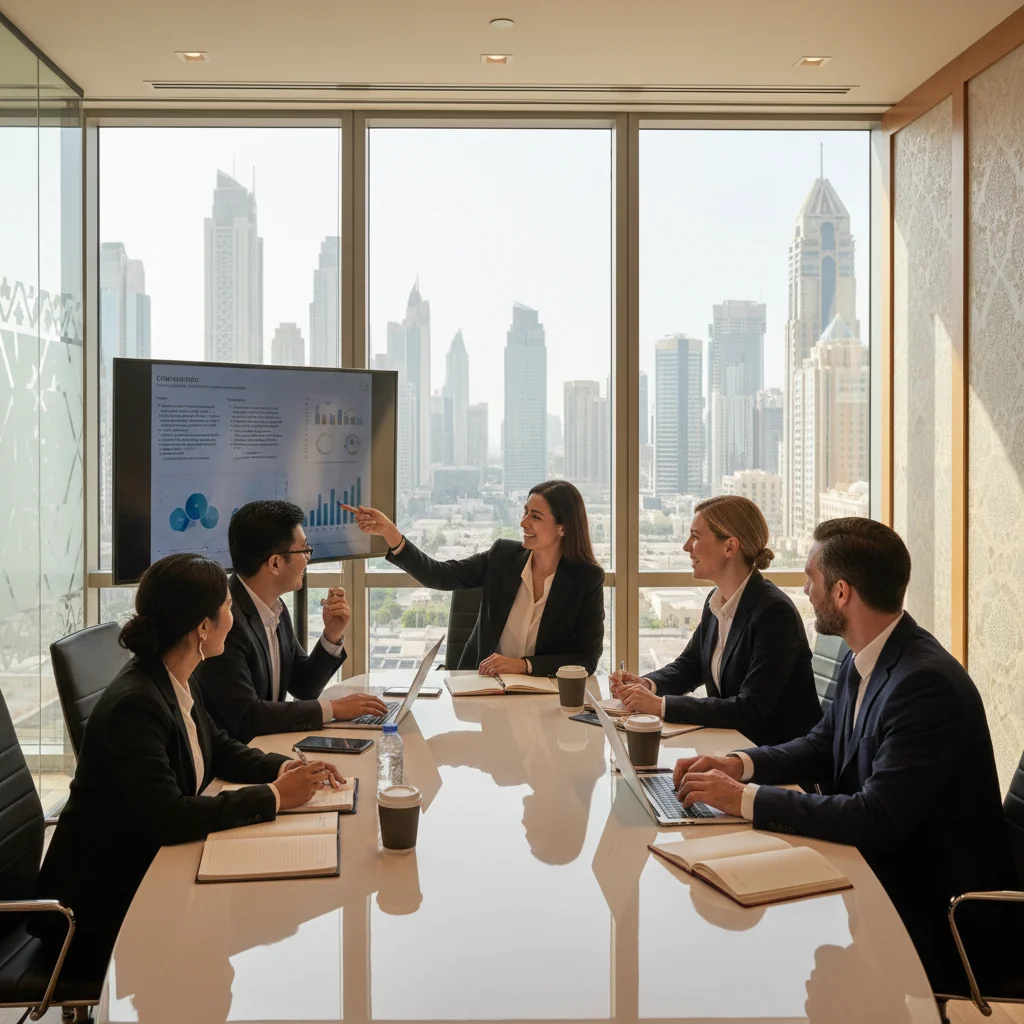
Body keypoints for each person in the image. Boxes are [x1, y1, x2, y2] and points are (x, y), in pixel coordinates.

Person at [672, 517, 1016, 987]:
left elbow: (876, 817)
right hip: (881, 874)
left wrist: (742, 799)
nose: (804, 590)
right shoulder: (870, 654)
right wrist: (740, 765)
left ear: (841, 593)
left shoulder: (924, 685)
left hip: (933, 914)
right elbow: (821, 744)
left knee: (763, 960)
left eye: (811, 579)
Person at [32, 553, 344, 978]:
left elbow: (220, 747)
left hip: (146, 867)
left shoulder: (177, 672)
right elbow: (170, 816)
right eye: (229, 608)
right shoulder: (136, 704)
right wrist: (274, 798)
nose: (234, 618)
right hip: (99, 905)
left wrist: (285, 769)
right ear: (202, 627)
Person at [609, 495, 821, 746]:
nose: (686, 547)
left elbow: (749, 708)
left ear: (730, 547)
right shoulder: (717, 600)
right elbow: (690, 666)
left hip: (772, 758)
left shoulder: (774, 613)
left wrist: (660, 706)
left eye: (696, 537)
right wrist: (646, 684)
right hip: (729, 745)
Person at [343, 480, 604, 676]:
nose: (524, 522)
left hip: (544, 693)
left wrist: (523, 666)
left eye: (535, 517)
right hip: (482, 685)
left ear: (564, 527)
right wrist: (391, 533)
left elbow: (587, 659)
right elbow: (440, 575)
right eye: (525, 512)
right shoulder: (503, 556)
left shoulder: (586, 579)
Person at [196, 500, 387, 742]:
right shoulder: (225, 620)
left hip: (268, 746)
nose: (308, 558)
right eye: (304, 550)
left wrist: (332, 635)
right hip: (235, 763)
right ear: (275, 563)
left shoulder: (275, 607)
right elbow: (247, 716)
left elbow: (303, 686)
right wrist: (334, 708)